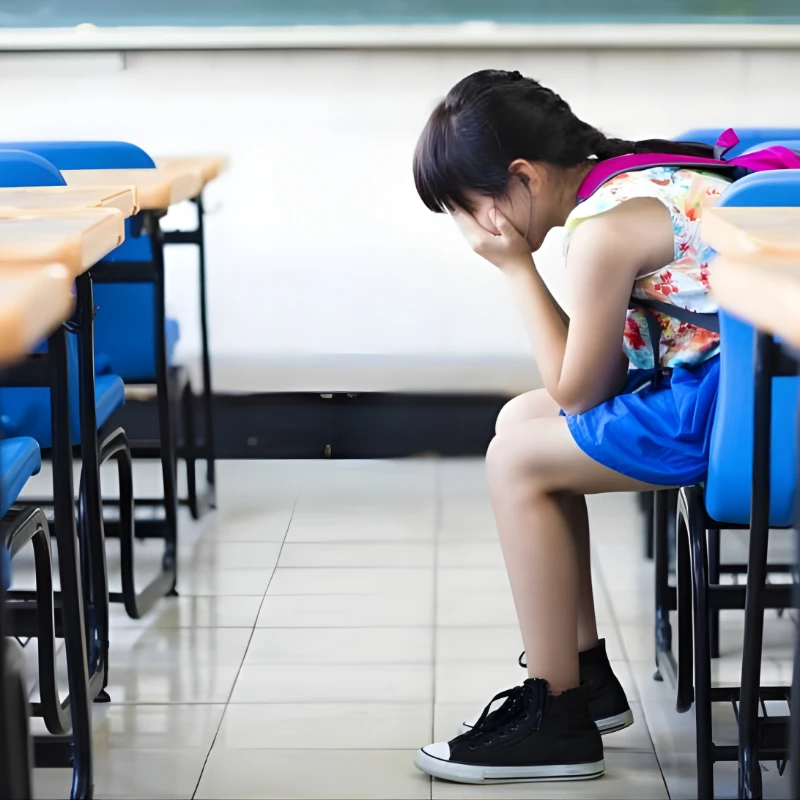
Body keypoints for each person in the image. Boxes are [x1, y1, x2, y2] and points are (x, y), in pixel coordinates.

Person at [411, 69, 726, 784]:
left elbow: (581, 391)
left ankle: (554, 717)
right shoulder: (634, 182)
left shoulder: (603, 232)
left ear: (522, 176)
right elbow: (593, 375)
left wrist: (516, 269)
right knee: (520, 419)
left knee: (516, 460)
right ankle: (583, 677)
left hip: (732, 408)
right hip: (744, 387)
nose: (468, 229)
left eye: (467, 207)